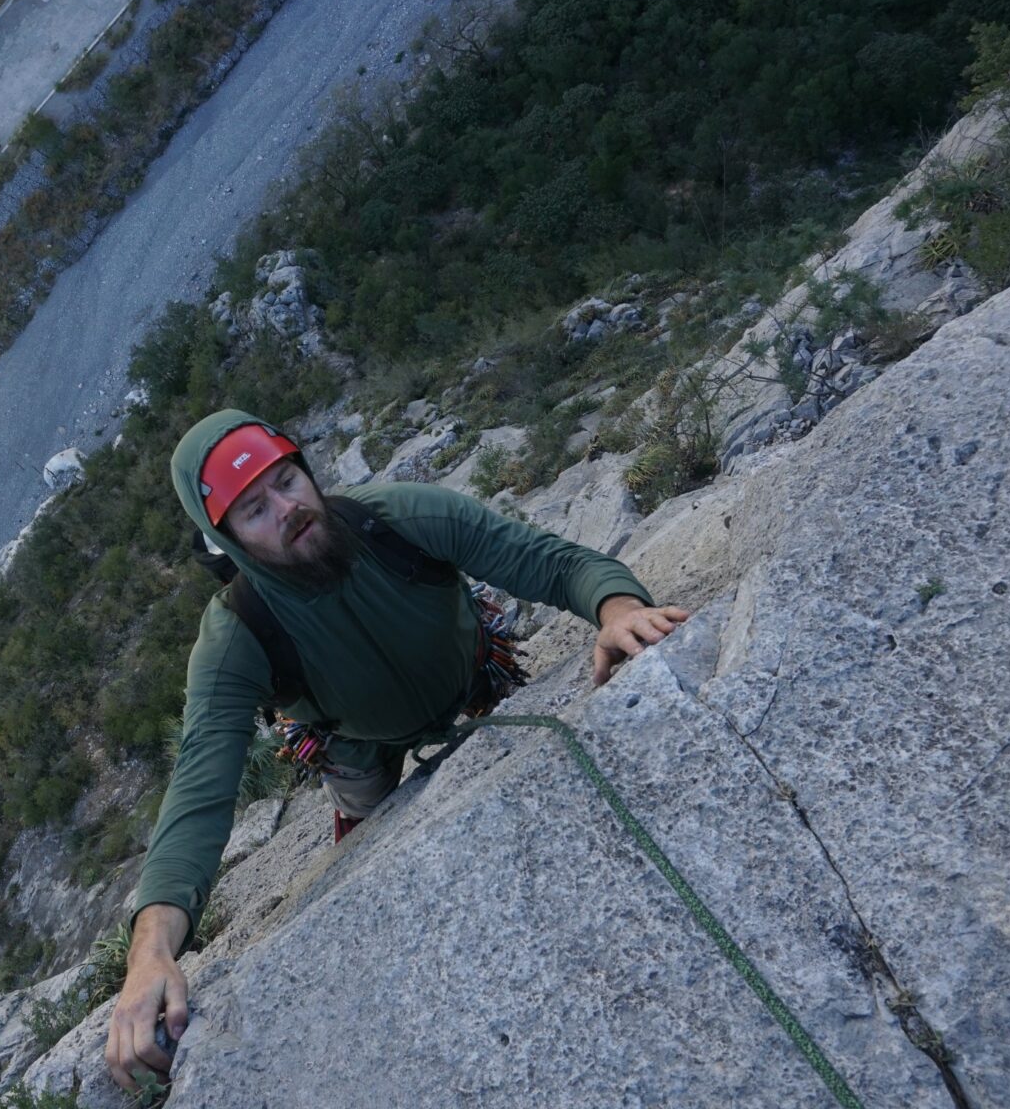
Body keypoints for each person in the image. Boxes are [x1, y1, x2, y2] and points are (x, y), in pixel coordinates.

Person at [104, 409, 689, 1090]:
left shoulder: (401, 519)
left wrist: (617, 610)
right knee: (363, 818)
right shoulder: (237, 636)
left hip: (470, 671)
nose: (288, 509)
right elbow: (200, 794)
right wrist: (150, 953)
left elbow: (548, 562)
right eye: (255, 510)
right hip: (352, 737)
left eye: (287, 480)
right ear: (224, 543)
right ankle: (363, 829)